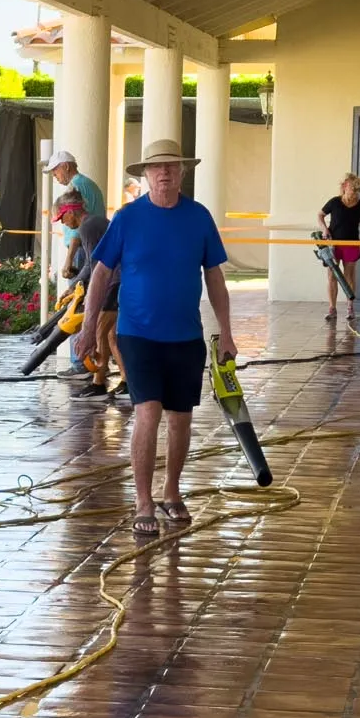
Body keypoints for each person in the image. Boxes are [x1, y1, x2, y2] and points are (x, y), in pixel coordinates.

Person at [72, 138, 238, 538]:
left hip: (186, 336)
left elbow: (214, 277)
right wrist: (89, 326)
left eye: (172, 166)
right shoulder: (128, 218)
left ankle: (171, 491)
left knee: (180, 419)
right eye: (157, 167)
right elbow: (101, 272)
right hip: (138, 334)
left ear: (182, 172)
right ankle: (143, 500)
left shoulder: (198, 217)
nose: (164, 172)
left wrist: (227, 333)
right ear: (145, 174)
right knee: (148, 412)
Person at [55, 193, 120, 399]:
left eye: (62, 218)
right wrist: (76, 285)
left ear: (70, 212)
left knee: (98, 331)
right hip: (119, 279)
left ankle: (98, 384)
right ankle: (127, 381)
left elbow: (95, 266)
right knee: (111, 336)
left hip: (114, 281)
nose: (63, 223)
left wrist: (79, 286)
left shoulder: (87, 227)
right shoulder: (95, 222)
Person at [317, 173, 360, 321]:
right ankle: (332, 308)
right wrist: (324, 229)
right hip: (333, 243)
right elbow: (320, 215)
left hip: (351, 244)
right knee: (332, 275)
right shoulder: (334, 202)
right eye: (352, 190)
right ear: (344, 187)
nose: (354, 194)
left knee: (349, 276)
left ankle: (350, 307)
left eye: (357, 191)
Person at [44, 147, 106, 224]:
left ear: (66, 166)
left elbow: (74, 222)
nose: (53, 174)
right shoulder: (86, 183)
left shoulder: (75, 186)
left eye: (55, 169)